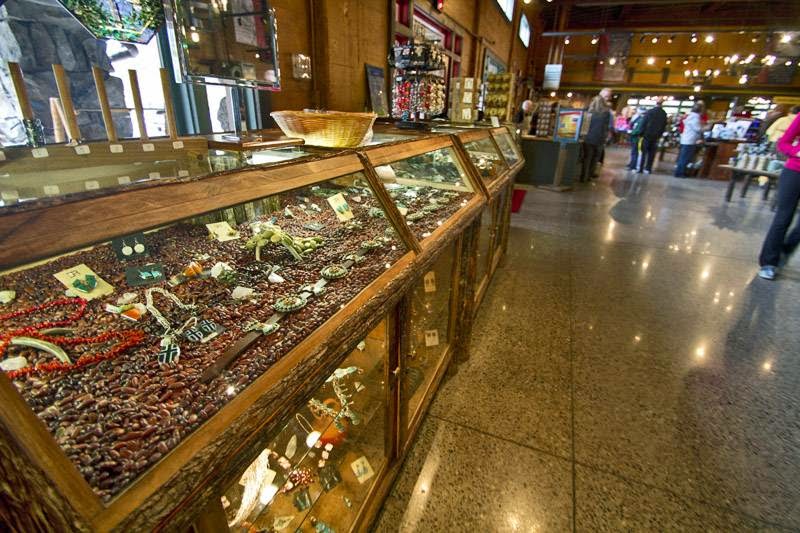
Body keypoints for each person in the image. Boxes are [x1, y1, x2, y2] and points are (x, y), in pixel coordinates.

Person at [757, 113, 800, 280]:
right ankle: (769, 263)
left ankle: (785, 249)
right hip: (794, 172)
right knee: (783, 218)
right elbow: (783, 144)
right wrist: (797, 152)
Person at [581, 95, 612, 182]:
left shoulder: (588, 112)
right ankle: (590, 175)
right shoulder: (606, 113)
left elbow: (584, 125)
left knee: (587, 158)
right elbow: (606, 127)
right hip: (599, 138)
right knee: (595, 158)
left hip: (588, 138)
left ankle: (583, 176)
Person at [674, 101, 706, 178]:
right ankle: (680, 173)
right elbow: (697, 129)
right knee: (685, 157)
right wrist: (705, 128)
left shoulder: (690, 117)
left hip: (686, 139)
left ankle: (679, 171)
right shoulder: (695, 118)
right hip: (690, 140)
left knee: (683, 157)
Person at [637, 98, 668, 174]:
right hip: (656, 136)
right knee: (652, 153)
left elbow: (644, 123)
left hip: (646, 135)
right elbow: (664, 126)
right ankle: (648, 168)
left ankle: (640, 168)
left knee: (643, 152)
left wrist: (640, 133)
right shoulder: (664, 114)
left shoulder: (650, 112)